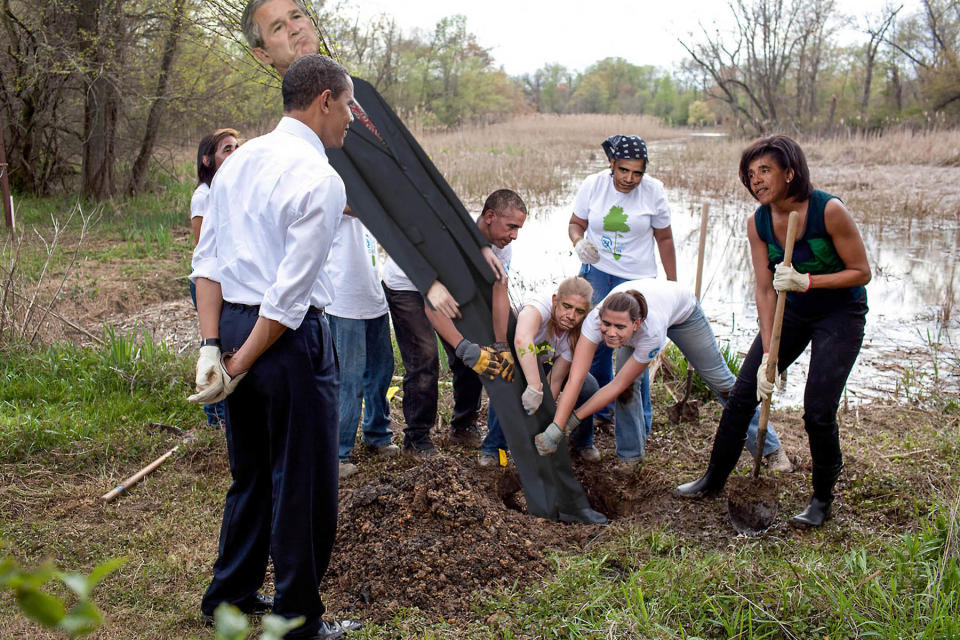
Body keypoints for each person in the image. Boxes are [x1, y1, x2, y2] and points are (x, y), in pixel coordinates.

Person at [188, 54, 361, 639]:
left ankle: (229, 598)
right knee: (304, 479)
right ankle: (296, 620)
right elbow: (289, 298)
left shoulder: (239, 162)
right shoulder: (321, 178)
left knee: (253, 472)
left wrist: (214, 346)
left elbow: (206, 262)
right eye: (349, 104)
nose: (351, 118)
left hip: (236, 327)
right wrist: (233, 360)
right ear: (325, 102)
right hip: (284, 342)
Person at [676, 135, 870, 528]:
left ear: (790, 172)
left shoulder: (828, 210)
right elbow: (765, 289)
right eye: (750, 174)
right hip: (791, 312)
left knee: (817, 410)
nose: (757, 180)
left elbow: (862, 272)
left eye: (765, 170)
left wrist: (808, 281)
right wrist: (768, 353)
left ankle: (821, 498)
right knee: (743, 393)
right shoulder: (759, 221)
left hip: (840, 312)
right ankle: (713, 479)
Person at [536, 279, 787, 468]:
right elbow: (577, 377)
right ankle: (630, 457)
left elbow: (615, 384)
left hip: (684, 314)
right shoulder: (594, 322)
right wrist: (557, 426)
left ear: (635, 324)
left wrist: (572, 420)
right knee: (627, 390)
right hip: (640, 314)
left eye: (619, 327)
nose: (610, 333)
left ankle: (771, 449)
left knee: (721, 382)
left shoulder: (651, 332)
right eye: (607, 325)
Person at [568, 134, 676, 437]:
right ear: (612, 164)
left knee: (633, 350)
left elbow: (664, 239)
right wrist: (579, 242)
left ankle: (640, 420)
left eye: (637, 172)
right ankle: (601, 410)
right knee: (598, 343)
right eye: (624, 170)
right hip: (599, 271)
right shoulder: (594, 185)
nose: (630, 178)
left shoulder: (654, 192)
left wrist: (672, 284)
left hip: (637, 279)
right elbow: (575, 223)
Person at [433, 189, 526, 449]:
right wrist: (462, 346)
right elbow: (433, 303)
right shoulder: (454, 240)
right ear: (489, 216)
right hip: (434, 294)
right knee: (462, 360)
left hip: (470, 295)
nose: (514, 235)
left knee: (486, 352)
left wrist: (500, 344)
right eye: (511, 227)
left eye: (518, 229)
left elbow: (499, 290)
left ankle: (468, 423)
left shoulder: (501, 247)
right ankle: (450, 429)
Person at [480, 276, 600, 466]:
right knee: (507, 384)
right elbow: (522, 340)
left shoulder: (577, 333)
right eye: (566, 306)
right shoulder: (538, 307)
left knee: (588, 386)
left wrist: (540, 417)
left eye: (579, 311)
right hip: (515, 355)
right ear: (555, 301)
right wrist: (534, 387)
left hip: (543, 363)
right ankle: (494, 448)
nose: (571, 316)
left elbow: (555, 379)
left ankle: (582, 443)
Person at [325, 216, 398, 479]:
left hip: (373, 299)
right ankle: (338, 453)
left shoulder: (365, 205)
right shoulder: (337, 190)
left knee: (381, 371)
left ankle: (377, 435)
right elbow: (349, 203)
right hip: (344, 303)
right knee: (349, 380)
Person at [188, 128, 238, 429]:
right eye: (226, 149)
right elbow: (203, 249)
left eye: (236, 147)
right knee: (213, 342)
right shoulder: (204, 196)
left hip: (226, 280)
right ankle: (214, 416)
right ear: (208, 160)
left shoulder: (228, 189)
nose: (234, 153)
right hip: (208, 282)